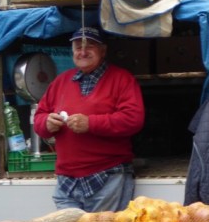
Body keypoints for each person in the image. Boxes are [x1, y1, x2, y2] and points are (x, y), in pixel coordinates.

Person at [33, 26, 145, 212]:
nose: (83, 52)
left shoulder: (122, 79)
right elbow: (39, 119)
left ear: (103, 51)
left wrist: (90, 123)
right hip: (67, 181)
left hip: (107, 177)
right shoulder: (60, 81)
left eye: (90, 46)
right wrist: (46, 123)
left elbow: (133, 119)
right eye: (78, 47)